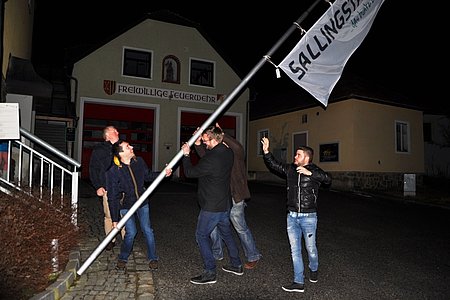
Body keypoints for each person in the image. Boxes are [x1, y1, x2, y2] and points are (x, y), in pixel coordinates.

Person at [261, 137, 331, 293]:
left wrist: (310, 173)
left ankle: (314, 268)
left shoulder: (315, 170)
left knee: (311, 249)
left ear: (306, 158)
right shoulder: (291, 170)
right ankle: (298, 281)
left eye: (298, 155)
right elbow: (275, 165)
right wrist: (266, 151)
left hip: (309, 217)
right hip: (291, 216)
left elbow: (327, 180)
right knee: (295, 250)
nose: (294, 157)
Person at [194, 123, 261, 269]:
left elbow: (238, 147)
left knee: (239, 227)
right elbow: (207, 158)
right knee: (214, 227)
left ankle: (253, 255)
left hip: (235, 195)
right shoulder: (218, 153)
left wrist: (222, 134)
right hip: (220, 196)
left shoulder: (235, 153)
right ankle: (217, 253)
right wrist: (199, 144)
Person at [181, 125, 243, 284]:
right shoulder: (227, 152)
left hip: (211, 206)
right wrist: (198, 143)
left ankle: (210, 272)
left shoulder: (212, 158)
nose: (205, 143)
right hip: (224, 203)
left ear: (215, 140)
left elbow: (190, 173)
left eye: (206, 140)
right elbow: (208, 157)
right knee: (227, 234)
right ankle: (236, 264)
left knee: (201, 235)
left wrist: (186, 156)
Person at [106, 140, 172, 271]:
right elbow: (112, 197)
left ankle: (153, 258)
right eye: (127, 146)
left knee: (147, 230)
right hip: (126, 206)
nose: (131, 147)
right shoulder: (113, 171)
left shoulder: (139, 161)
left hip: (142, 203)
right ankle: (123, 258)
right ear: (121, 153)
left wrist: (163, 173)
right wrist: (114, 219)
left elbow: (148, 176)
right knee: (131, 233)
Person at [89, 126, 122, 250]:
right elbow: (93, 169)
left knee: (124, 214)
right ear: (107, 135)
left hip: (123, 186)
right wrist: (98, 186)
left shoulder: (123, 146)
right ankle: (110, 240)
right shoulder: (99, 150)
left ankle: (127, 240)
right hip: (108, 187)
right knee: (109, 215)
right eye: (115, 131)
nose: (118, 132)